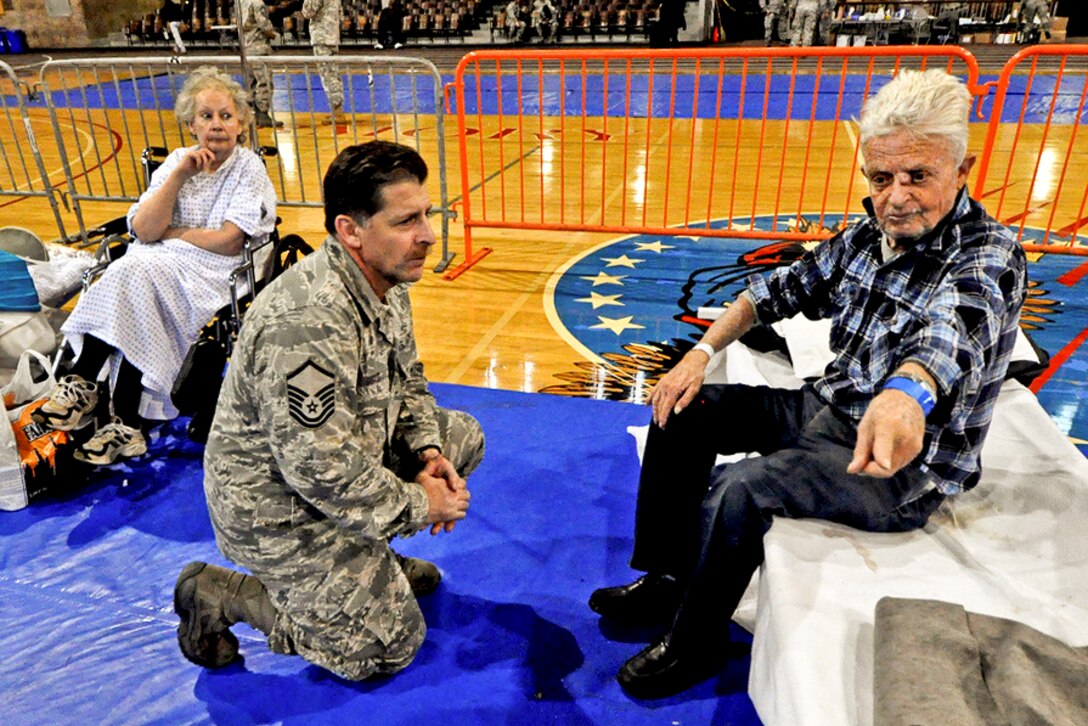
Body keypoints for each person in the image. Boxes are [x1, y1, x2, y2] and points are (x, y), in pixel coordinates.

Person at [588, 68, 1027, 699]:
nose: (896, 197)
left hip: (903, 464)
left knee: (742, 489)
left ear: (963, 172)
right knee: (683, 410)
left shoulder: (987, 255)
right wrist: (701, 352)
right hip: (829, 408)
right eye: (881, 178)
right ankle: (668, 576)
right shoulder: (866, 236)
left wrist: (908, 395)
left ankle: (696, 641)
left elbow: (950, 333)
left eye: (918, 176)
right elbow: (775, 292)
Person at [173, 141, 486, 681]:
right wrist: (418, 503)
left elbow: (409, 382)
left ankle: (369, 561)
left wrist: (426, 451)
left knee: (461, 437)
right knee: (380, 648)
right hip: (276, 509)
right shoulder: (307, 322)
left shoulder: (384, 279)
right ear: (351, 230)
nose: (429, 235)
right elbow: (318, 469)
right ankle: (223, 594)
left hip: (335, 473)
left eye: (427, 216)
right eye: (407, 220)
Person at [34, 67, 276, 466]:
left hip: (212, 271)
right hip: (156, 267)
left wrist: (173, 235)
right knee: (134, 276)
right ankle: (124, 421)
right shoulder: (178, 162)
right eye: (206, 116)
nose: (217, 125)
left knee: (131, 273)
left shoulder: (248, 167)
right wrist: (179, 176)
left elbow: (230, 239)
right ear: (190, 124)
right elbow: (145, 229)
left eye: (226, 116)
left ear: (242, 122)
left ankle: (88, 383)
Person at [240, 0, 282, 128]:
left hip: (246, 47)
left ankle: (252, 114)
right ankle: (263, 113)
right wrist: (273, 34)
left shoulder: (242, 3)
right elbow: (264, 26)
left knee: (251, 82)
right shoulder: (258, 4)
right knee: (264, 81)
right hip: (259, 48)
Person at [301, 0, 344, 123]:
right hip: (333, 35)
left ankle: (337, 111)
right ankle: (338, 110)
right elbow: (340, 15)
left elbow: (308, 12)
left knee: (327, 74)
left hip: (321, 36)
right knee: (334, 73)